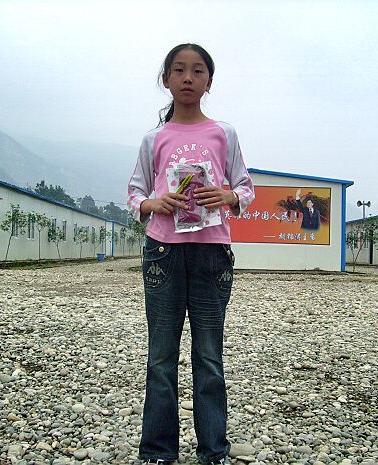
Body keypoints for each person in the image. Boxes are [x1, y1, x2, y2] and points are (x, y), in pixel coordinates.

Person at [127, 43, 255, 465]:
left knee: (209, 357)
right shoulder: (154, 139)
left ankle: (213, 450)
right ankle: (157, 451)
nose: (187, 78)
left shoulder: (224, 134)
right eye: (179, 70)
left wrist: (228, 196)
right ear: (166, 79)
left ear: (209, 82)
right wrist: (154, 203)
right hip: (164, 253)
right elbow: (135, 193)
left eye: (197, 71)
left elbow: (246, 188)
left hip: (212, 254)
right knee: (161, 358)